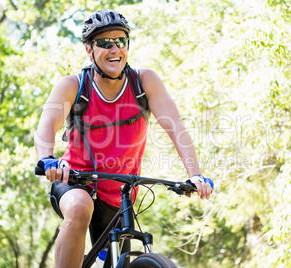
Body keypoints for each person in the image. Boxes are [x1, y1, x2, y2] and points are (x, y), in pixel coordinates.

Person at [34, 9, 213, 268]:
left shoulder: (144, 82)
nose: (115, 49)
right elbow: (46, 126)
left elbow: (176, 128)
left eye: (121, 41)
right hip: (75, 181)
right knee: (79, 207)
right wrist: (47, 159)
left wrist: (194, 174)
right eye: (105, 43)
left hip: (120, 195)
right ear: (89, 50)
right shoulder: (74, 86)